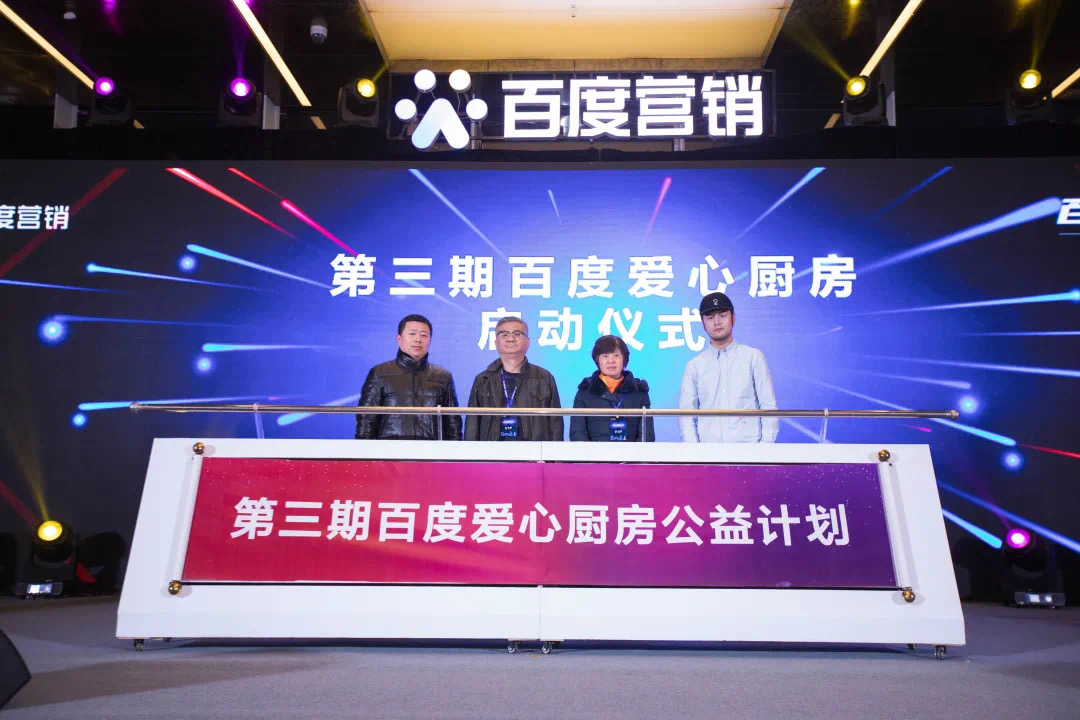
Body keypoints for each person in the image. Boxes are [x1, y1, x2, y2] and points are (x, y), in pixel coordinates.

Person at [679, 292, 778, 443]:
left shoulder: (753, 357)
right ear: (703, 323)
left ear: (733, 318)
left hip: (750, 450)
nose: (717, 322)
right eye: (710, 317)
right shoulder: (694, 366)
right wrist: (695, 452)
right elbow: (686, 416)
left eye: (723, 315)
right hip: (708, 452)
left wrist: (764, 449)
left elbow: (768, 407)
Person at [355, 314, 462, 440]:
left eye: (424, 335)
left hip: (430, 451)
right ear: (399, 339)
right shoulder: (379, 373)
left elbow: (453, 425)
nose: (418, 339)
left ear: (430, 340)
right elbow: (366, 422)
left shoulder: (443, 376)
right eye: (412, 334)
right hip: (390, 450)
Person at [465, 316, 563, 441]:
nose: (510, 339)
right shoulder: (483, 379)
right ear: (496, 342)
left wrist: (554, 453)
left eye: (517, 334)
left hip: (533, 450)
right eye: (504, 334)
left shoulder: (544, 377)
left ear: (528, 342)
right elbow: (472, 424)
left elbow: (556, 424)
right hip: (492, 451)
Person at [570, 335, 655, 442]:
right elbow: (577, 432)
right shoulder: (585, 391)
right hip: (594, 453)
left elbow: (646, 435)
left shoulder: (639, 391)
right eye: (605, 356)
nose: (611, 361)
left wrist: (633, 453)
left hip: (631, 452)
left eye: (616, 355)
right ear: (597, 360)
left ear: (624, 359)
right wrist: (592, 453)